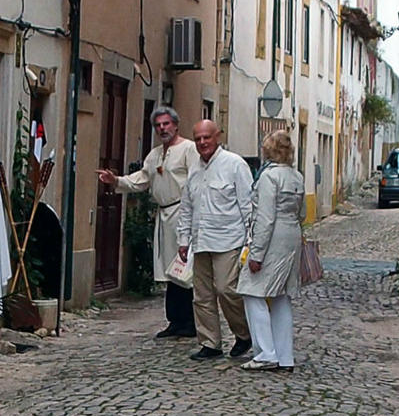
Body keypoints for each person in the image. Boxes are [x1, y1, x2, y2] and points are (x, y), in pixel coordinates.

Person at [96, 105, 199, 338]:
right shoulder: (154, 155)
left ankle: (190, 321)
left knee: (185, 270)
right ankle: (175, 320)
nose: (162, 128)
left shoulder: (188, 150)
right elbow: (141, 179)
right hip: (164, 216)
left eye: (166, 124)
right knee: (169, 272)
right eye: (158, 125)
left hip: (183, 213)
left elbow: (197, 181)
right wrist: (116, 180)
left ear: (175, 125)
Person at [177, 119, 253, 361]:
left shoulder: (235, 165)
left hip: (228, 239)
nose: (202, 143)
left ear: (217, 136)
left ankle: (245, 333)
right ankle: (210, 343)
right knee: (202, 296)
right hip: (201, 241)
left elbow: (248, 204)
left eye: (206, 137)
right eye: (198, 139)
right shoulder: (195, 169)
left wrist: (251, 241)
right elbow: (187, 206)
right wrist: (183, 239)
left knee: (226, 289)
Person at [237, 129, 305, 373]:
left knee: (252, 291)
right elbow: (302, 214)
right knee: (281, 296)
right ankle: (285, 356)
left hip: (273, 237)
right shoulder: (296, 176)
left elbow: (265, 219)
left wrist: (256, 254)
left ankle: (265, 352)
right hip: (292, 235)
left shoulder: (269, 177)